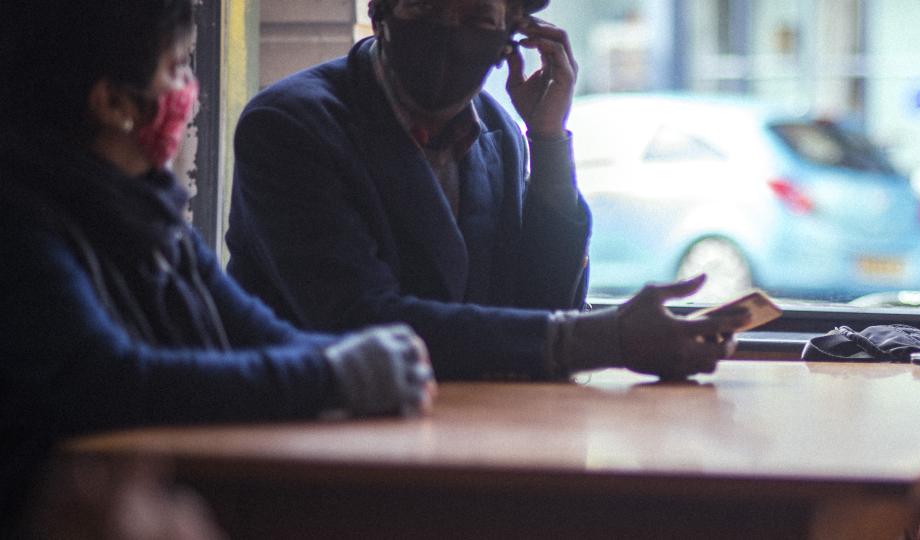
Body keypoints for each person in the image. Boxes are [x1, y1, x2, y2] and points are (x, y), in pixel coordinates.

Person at [0, 0, 437, 534]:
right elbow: (112, 380)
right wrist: (334, 376)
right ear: (112, 101)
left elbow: (252, 330)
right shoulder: (22, 223)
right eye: (177, 67)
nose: (190, 90)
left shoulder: (149, 210)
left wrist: (362, 359)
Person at [224, 0, 745, 382]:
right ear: (380, 12)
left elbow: (536, 305)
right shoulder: (292, 125)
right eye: (425, 10)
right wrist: (607, 339)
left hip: (465, 427)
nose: (449, 32)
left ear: (513, 37)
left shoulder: (497, 131)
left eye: (476, 18)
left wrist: (547, 141)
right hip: (317, 437)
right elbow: (361, 321)